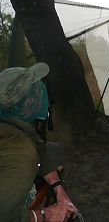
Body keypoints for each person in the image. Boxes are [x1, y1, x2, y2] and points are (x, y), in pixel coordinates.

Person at [0, 63, 78, 222]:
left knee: (52, 149)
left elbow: (41, 149)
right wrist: (44, 215)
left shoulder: (11, 124)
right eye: (34, 92)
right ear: (27, 104)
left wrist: (59, 190)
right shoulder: (21, 154)